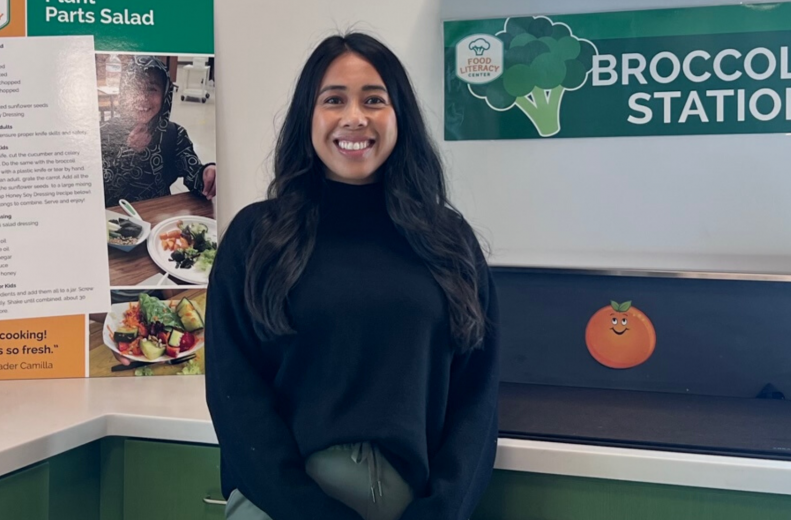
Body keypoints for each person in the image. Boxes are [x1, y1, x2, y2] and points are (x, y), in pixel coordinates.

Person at [205, 32, 499, 520]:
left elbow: (477, 397)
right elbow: (235, 395)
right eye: (334, 99)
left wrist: (442, 510)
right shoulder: (256, 236)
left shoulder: (448, 240)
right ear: (309, 117)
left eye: (374, 100)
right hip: (281, 506)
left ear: (398, 115)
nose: (354, 117)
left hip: (414, 505)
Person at [99, 55, 217, 207]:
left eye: (152, 89)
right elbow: (97, 188)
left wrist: (207, 174)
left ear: (165, 94)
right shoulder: (105, 134)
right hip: (115, 222)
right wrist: (129, 153)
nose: (142, 97)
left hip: (160, 220)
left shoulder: (174, 135)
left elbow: (195, 178)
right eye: (134, 88)